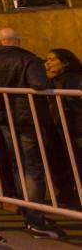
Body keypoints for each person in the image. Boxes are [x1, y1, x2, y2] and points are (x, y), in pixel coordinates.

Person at [0, 28, 66, 239]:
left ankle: (29, 213)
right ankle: (36, 218)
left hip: (3, 118)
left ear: (0, 41)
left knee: (17, 164)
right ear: (17, 40)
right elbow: (38, 84)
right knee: (32, 166)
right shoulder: (28, 59)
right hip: (27, 117)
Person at [45, 48, 82, 206]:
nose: (48, 63)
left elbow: (74, 105)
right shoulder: (52, 80)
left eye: (52, 59)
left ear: (65, 62)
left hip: (73, 127)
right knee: (61, 161)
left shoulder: (73, 79)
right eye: (47, 59)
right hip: (59, 127)